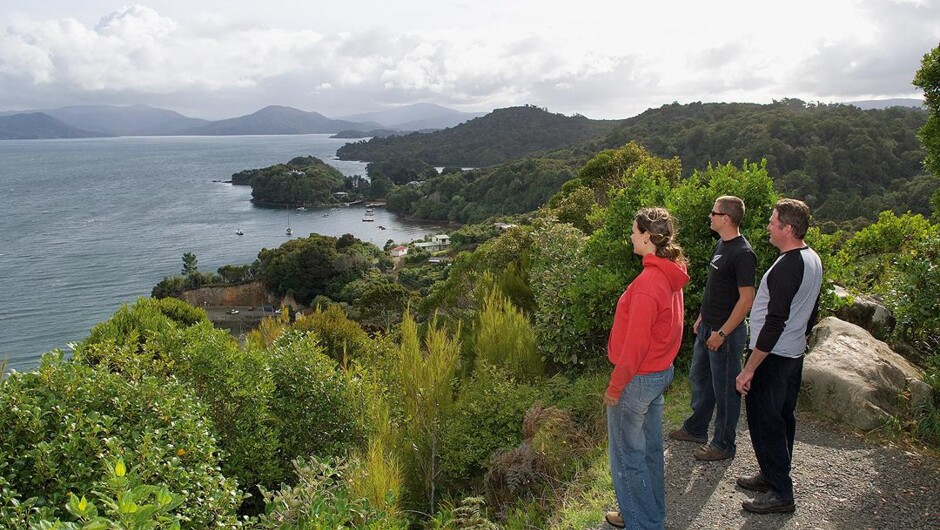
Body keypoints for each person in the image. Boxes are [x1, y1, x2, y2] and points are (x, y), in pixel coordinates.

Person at [603, 207, 690, 530]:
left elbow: (635, 346)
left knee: (627, 457)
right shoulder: (669, 272)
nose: (630, 236)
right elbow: (673, 327)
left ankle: (644, 523)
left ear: (646, 236)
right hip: (658, 373)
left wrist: (615, 387)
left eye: (633, 230)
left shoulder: (648, 283)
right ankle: (644, 513)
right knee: (650, 450)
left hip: (638, 379)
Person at [735, 198, 822, 514]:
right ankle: (772, 475)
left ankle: (782, 494)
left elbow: (775, 321)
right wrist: (802, 339)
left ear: (787, 228)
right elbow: (812, 309)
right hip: (791, 353)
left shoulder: (787, 266)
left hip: (773, 357)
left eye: (773, 222)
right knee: (784, 417)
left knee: (765, 421)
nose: (768, 226)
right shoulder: (811, 258)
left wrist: (750, 368)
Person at [670, 196, 756, 461]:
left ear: (726, 218)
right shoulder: (721, 244)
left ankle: (723, 444)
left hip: (725, 334)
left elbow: (746, 299)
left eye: (714, 212)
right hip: (708, 326)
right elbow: (715, 287)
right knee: (700, 380)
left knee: (726, 391)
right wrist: (702, 317)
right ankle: (696, 428)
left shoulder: (743, 253)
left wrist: (722, 333)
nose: (710, 216)